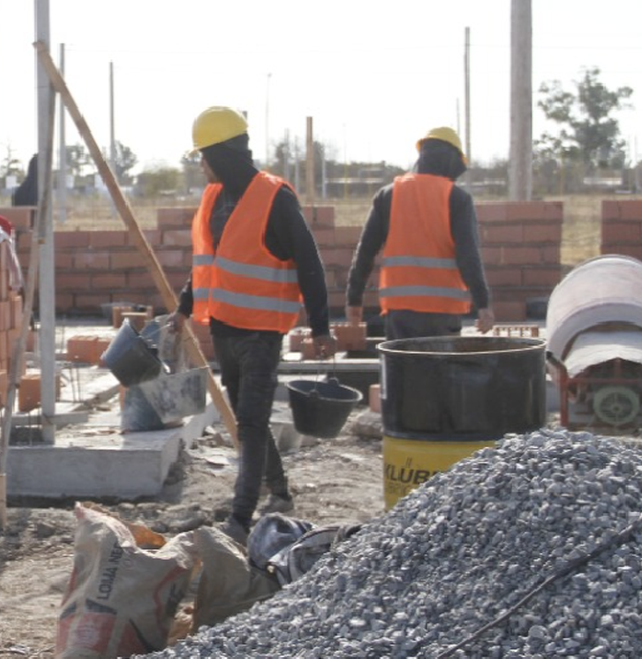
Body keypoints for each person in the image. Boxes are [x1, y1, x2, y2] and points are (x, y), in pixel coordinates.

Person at [172, 106, 335, 542]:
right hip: (225, 326)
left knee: (248, 419)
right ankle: (279, 492)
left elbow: (309, 262)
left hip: (262, 330)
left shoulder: (274, 198)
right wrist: (184, 306)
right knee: (252, 419)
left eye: (204, 155)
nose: (200, 164)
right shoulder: (213, 199)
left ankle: (240, 517)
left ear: (223, 153)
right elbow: (210, 263)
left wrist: (321, 327)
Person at [345, 126, 495, 341]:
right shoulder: (457, 198)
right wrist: (483, 304)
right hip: (444, 312)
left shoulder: (389, 195)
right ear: (452, 161)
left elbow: (365, 253)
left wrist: (353, 300)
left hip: (400, 313)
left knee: (402, 373)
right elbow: (468, 256)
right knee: (440, 373)